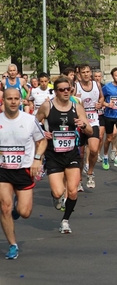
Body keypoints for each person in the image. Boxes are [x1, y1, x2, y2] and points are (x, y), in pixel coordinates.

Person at [36, 77, 93, 234]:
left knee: (73, 191)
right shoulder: (47, 106)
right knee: (58, 192)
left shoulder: (77, 107)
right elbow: (33, 124)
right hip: (53, 154)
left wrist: (83, 125)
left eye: (68, 89)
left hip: (72, 154)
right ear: (56, 91)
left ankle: (65, 220)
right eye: (62, 89)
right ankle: (56, 197)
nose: (66, 92)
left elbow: (90, 130)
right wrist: (42, 132)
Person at [0, 88, 47, 259]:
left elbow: (42, 141)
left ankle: (17, 208)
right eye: (9, 98)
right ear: (3, 100)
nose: (12, 101)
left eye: (16, 98)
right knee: (5, 207)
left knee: (25, 212)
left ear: (21, 100)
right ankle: (13, 245)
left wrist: (37, 159)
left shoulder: (29, 120)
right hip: (3, 170)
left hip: (24, 169)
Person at [75, 64, 104, 189]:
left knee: (93, 149)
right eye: (83, 72)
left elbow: (102, 97)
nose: (86, 74)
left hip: (93, 121)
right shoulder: (76, 86)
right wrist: (76, 101)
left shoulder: (96, 85)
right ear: (79, 74)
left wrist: (100, 104)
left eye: (88, 72)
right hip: (81, 122)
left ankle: (90, 173)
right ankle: (79, 179)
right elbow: (70, 100)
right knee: (80, 154)